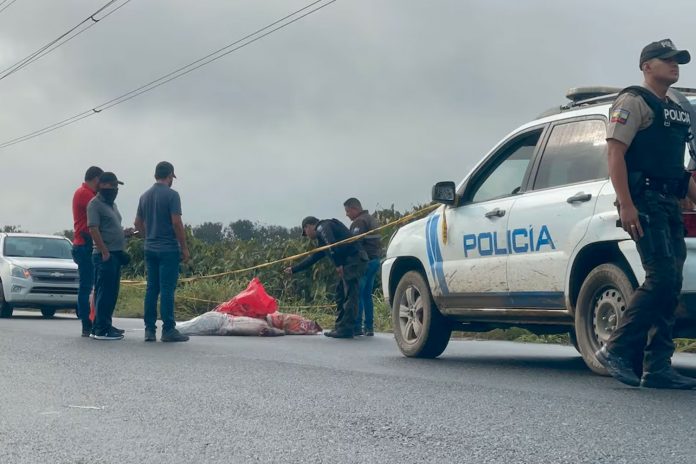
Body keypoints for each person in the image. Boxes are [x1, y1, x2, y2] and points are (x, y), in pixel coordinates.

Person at [597, 39, 696, 389]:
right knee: (661, 277)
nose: (674, 65)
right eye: (666, 60)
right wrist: (626, 203)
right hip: (644, 201)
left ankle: (657, 367)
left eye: (678, 61)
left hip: (669, 201)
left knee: (672, 285)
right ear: (646, 66)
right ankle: (617, 348)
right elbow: (615, 156)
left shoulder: (677, 110)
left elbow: (677, 168)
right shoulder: (632, 102)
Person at [284, 216, 367, 338]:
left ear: (308, 226)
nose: (307, 236)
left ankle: (347, 329)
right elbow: (314, 258)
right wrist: (294, 269)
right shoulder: (322, 237)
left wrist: (338, 264)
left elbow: (331, 244)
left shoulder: (323, 227)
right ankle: (341, 326)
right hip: (349, 262)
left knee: (350, 294)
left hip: (354, 259)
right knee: (340, 294)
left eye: (305, 232)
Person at [134, 161, 190, 343]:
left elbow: (137, 223)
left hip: (150, 248)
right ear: (170, 176)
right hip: (168, 249)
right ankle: (168, 329)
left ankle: (149, 330)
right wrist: (184, 247)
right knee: (167, 290)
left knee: (152, 289)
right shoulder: (173, 195)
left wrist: (147, 237)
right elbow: (176, 222)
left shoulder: (144, 196)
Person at [87, 172, 127, 341]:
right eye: (112, 186)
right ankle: (101, 329)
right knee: (104, 293)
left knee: (111, 293)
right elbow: (93, 229)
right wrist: (104, 251)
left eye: (116, 186)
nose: (115, 189)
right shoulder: (94, 204)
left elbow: (112, 227)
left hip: (116, 253)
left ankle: (103, 324)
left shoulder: (113, 205)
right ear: (102, 186)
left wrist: (125, 233)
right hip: (104, 255)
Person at [71, 166, 103, 337]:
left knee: (88, 286)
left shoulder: (82, 193)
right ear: (96, 179)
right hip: (85, 244)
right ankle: (86, 323)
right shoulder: (86, 195)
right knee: (86, 287)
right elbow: (101, 210)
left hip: (83, 243)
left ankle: (89, 322)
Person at [344, 198, 382, 336]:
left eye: (348, 211)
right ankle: (369, 327)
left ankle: (357, 326)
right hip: (375, 260)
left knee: (357, 293)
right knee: (367, 295)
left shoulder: (359, 222)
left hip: (365, 262)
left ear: (354, 209)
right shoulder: (371, 219)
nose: (347, 215)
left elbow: (353, 243)